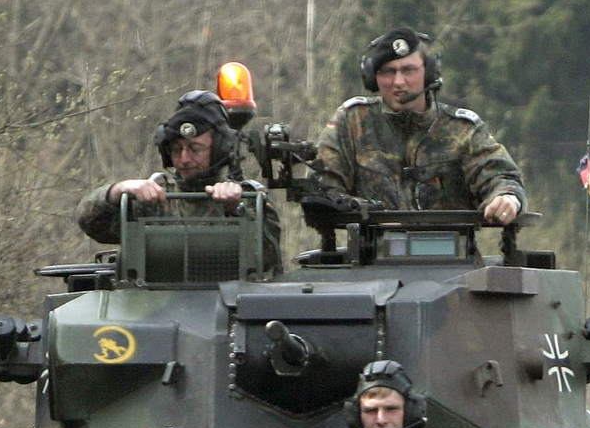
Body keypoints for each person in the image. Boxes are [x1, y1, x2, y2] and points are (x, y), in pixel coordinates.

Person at [312, 27, 525, 224]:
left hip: (453, 257)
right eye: (388, 71)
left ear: (429, 72)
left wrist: (506, 197)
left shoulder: (462, 129)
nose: (398, 82)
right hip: (371, 256)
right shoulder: (353, 122)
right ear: (372, 78)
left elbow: (500, 175)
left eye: (408, 70)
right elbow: (323, 185)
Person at [76, 89, 280, 264]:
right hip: (154, 301)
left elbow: (268, 257)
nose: (184, 159)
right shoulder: (154, 198)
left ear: (218, 149)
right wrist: (117, 191)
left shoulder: (250, 199)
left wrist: (235, 209)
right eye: (176, 149)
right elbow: (91, 223)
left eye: (194, 149)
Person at [346, 360, 428, 428]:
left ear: (411, 413)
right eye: (370, 411)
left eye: (391, 409)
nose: (381, 420)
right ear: (356, 417)